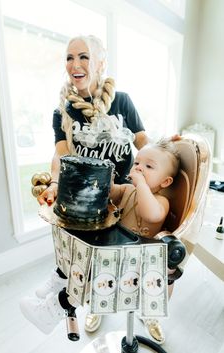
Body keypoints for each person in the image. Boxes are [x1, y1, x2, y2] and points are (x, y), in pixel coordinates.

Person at [20, 34, 179, 343]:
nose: (74, 64)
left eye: (83, 56)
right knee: (93, 265)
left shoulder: (122, 101)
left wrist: (170, 148)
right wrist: (54, 183)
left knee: (139, 265)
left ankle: (147, 313)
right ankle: (95, 306)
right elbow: (61, 155)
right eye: (69, 57)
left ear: (101, 63)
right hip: (93, 205)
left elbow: (144, 144)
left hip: (130, 197)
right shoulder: (63, 111)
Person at [20, 138, 180, 344]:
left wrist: (139, 184)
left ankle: (50, 312)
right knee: (79, 240)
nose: (139, 168)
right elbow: (112, 193)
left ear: (165, 182)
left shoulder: (160, 201)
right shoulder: (129, 190)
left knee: (87, 275)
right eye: (137, 163)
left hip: (134, 263)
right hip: (116, 248)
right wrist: (107, 181)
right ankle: (59, 277)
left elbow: (151, 215)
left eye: (148, 166)